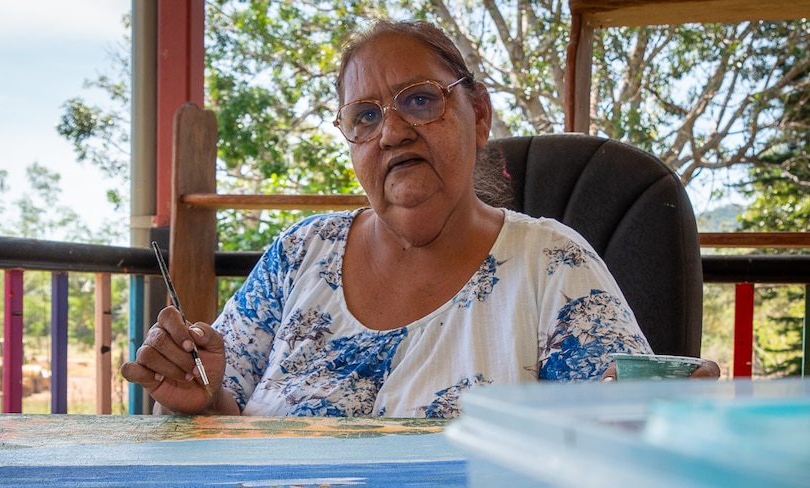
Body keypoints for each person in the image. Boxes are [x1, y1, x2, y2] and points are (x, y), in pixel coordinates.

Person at [121, 19, 719, 418]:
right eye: (364, 116)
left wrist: (650, 420)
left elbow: (611, 436)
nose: (393, 130)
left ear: (478, 115)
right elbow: (219, 427)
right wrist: (200, 403)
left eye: (420, 99)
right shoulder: (298, 255)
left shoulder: (553, 266)